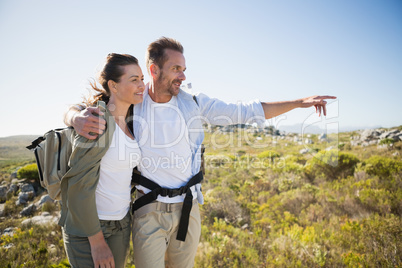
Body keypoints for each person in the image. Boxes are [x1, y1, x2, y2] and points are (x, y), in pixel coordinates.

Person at [64, 37, 336, 268]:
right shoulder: (134, 98)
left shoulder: (193, 102)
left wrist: (300, 103)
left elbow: (247, 111)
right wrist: (74, 117)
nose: (183, 76)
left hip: (188, 208)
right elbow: (84, 107)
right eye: (176, 68)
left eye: (184, 69)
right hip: (149, 210)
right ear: (154, 70)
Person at [60, 53, 145, 268]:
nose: (142, 85)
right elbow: (77, 186)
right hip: (90, 229)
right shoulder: (97, 122)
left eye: (142, 79)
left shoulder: (131, 121)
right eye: (134, 80)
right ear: (113, 86)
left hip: (121, 223)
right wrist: (96, 242)